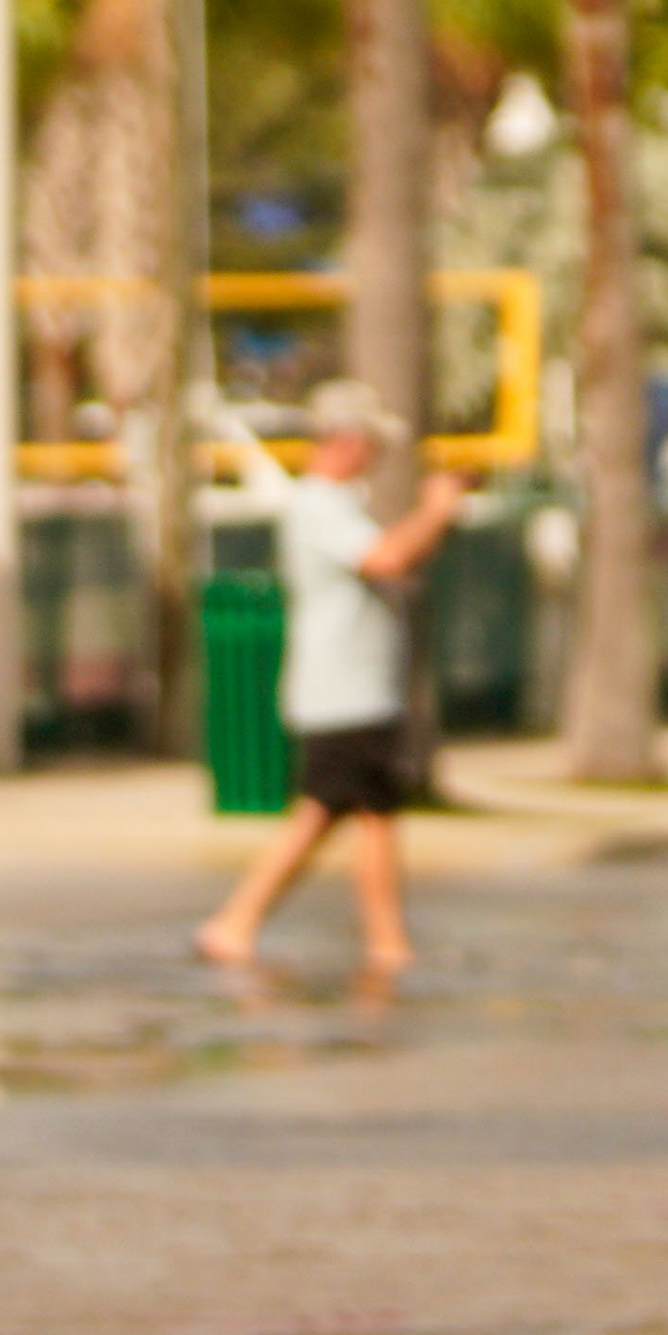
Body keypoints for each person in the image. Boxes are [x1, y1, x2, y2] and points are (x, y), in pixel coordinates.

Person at [194, 380, 468, 985]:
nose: (377, 456)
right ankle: (242, 922)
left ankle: (381, 939)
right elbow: (387, 558)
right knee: (331, 811)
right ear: (348, 440)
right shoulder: (318, 504)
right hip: (341, 691)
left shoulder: (338, 504)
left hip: (360, 688)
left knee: (365, 810)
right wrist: (435, 511)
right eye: (372, 443)